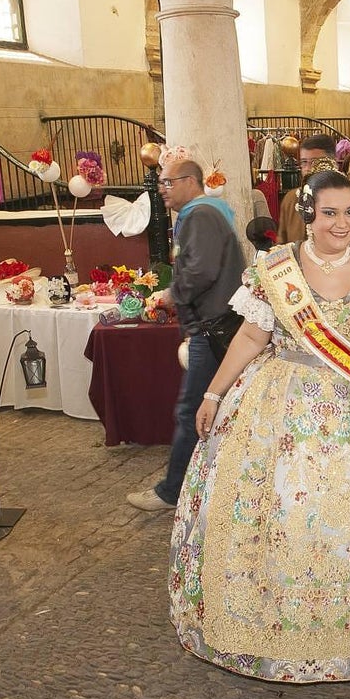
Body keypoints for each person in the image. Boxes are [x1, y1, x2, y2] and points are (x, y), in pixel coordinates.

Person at [169, 170, 350, 683]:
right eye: (330, 212)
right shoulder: (276, 268)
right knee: (273, 506)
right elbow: (249, 337)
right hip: (276, 406)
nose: (343, 223)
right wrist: (214, 392)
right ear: (308, 215)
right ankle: (264, 629)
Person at [127, 159, 245, 512]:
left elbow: (201, 270)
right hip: (214, 323)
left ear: (191, 181)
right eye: (161, 183)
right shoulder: (207, 213)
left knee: (192, 409)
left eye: (167, 182)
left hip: (211, 327)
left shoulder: (199, 215)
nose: (161, 189)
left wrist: (170, 294)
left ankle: (172, 491)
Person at [276, 134, 350, 259]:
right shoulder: (291, 199)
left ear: (332, 163)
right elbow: (283, 246)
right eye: (304, 162)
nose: (309, 169)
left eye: (317, 162)